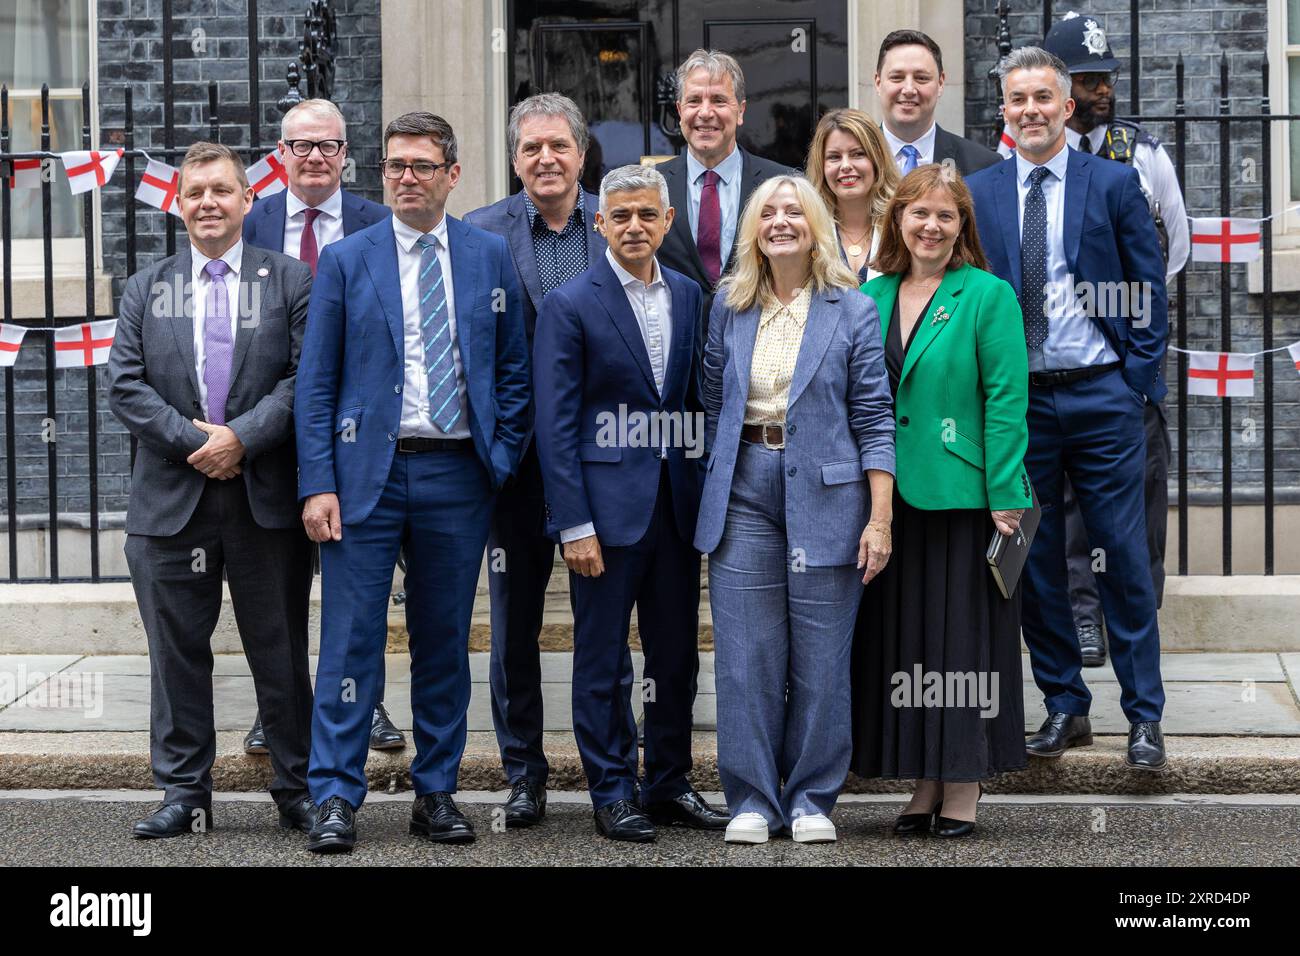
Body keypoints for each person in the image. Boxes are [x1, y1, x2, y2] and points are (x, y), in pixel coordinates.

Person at [295, 112, 530, 852]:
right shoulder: (347, 258)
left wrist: (500, 460)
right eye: (395, 164)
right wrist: (316, 482)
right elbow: (317, 382)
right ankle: (335, 795)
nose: (405, 177)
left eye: (422, 165)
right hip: (364, 475)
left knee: (443, 642)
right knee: (350, 641)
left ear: (452, 175)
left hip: (457, 475)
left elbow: (515, 372)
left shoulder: (489, 256)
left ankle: (437, 791)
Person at [967, 47, 1170, 772]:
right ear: (1005, 110)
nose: (1029, 110)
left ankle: (1144, 716)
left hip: (1100, 395)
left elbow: (1148, 291)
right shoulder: (978, 192)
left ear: (1065, 106)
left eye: (1042, 98)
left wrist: (1135, 382)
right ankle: (1065, 705)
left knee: (1120, 558)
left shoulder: (1112, 184)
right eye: (1017, 99)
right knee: (1033, 559)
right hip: (1020, 406)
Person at [108, 141, 317, 839]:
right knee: (175, 655)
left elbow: (302, 379)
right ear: (177, 202)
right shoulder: (147, 286)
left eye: (221, 191)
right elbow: (127, 387)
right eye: (194, 191)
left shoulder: (289, 280)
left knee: (281, 649)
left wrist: (242, 438)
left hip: (263, 499)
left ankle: (297, 786)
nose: (207, 202)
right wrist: (200, 442)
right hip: (171, 503)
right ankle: (183, 793)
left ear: (247, 200)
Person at [696, 174, 895, 845]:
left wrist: (880, 517)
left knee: (820, 656)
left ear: (815, 226)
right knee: (748, 654)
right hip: (745, 485)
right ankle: (751, 797)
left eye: (794, 211)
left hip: (828, 492)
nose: (781, 221)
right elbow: (711, 393)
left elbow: (874, 416)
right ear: (754, 229)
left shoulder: (853, 307)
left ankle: (811, 796)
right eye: (768, 212)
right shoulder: (728, 303)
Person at [533, 165, 727, 842]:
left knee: (676, 657)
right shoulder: (570, 302)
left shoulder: (687, 293)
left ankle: (669, 782)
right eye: (621, 217)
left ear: (668, 221)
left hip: (674, 509)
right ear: (599, 223)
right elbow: (555, 427)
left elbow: (695, 402)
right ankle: (612, 790)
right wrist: (573, 523)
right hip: (604, 518)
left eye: (647, 215)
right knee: (602, 660)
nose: (635, 227)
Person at [851, 164, 1031, 838]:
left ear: (962, 228)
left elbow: (1007, 399)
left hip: (966, 498)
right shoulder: (869, 295)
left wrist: (1007, 495)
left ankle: (962, 783)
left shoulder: (987, 295)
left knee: (962, 651)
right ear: (897, 220)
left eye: (945, 216)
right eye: (917, 213)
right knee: (911, 649)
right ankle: (926, 777)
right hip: (889, 499)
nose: (930, 226)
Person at [240, 98, 402, 755]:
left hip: (359, 427)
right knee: (274, 580)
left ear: (345, 156)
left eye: (327, 146)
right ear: (280, 155)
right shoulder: (252, 223)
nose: (313, 157)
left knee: (360, 577)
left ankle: (370, 706)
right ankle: (275, 709)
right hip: (272, 421)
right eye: (300, 146)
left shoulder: (380, 222)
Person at [463, 93, 608, 827]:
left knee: (603, 624)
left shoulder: (619, 227)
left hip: (601, 465)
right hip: (515, 469)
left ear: (581, 155)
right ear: (515, 158)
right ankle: (524, 773)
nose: (545, 159)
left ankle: (611, 772)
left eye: (559, 146)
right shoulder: (481, 232)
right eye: (531, 149)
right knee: (514, 627)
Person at [1043, 11, 1188, 667]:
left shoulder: (1144, 153)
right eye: (1084, 79)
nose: (1098, 91)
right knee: (1066, 512)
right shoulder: (1034, 156)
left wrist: (1136, 364)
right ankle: (1081, 621)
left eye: (1103, 78)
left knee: (1139, 501)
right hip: (1055, 367)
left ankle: (1136, 617)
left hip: (1128, 362)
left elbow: (1173, 255)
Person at [655, 49, 792, 332]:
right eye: (694, 101)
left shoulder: (781, 183)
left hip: (761, 352)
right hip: (677, 357)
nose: (705, 113)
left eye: (718, 100)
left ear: (740, 111)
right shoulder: (653, 186)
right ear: (680, 111)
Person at [875, 30, 1001, 177]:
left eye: (921, 78)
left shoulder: (983, 166)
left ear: (940, 83)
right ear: (878, 83)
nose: (909, 90)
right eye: (897, 77)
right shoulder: (853, 163)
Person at [805, 107, 900, 285]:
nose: (846, 165)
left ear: (877, 160)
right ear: (821, 167)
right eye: (834, 157)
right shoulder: (807, 228)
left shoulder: (902, 225)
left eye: (858, 154)